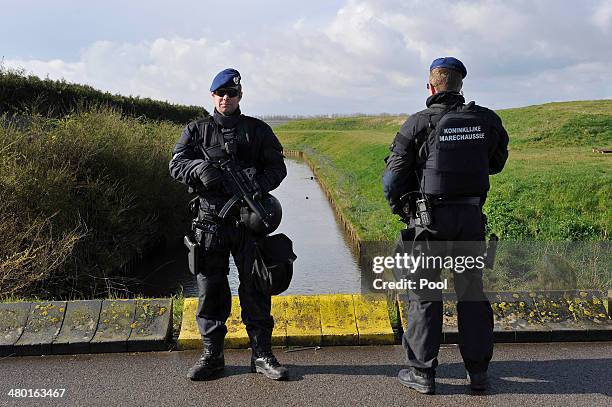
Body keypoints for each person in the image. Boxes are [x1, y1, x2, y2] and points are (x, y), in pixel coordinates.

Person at [382, 57, 509, 394]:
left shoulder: (417, 124)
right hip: (470, 220)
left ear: (431, 87)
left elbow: (392, 180)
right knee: (471, 292)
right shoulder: (486, 120)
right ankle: (478, 373)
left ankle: (423, 374)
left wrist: (402, 210)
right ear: (460, 86)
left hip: (429, 223)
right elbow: (496, 163)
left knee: (424, 294)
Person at [169, 68, 289, 381]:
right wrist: (199, 169)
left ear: (240, 96)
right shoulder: (195, 131)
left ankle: (262, 354)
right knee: (211, 290)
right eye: (220, 94)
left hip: (249, 223)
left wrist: (257, 185)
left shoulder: (258, 130)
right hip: (210, 223)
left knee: (257, 288)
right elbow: (176, 165)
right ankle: (212, 356)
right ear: (212, 96)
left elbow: (278, 168)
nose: (226, 98)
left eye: (231, 94)